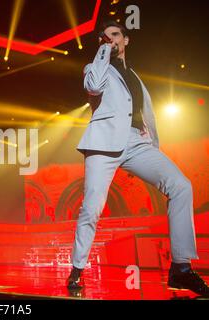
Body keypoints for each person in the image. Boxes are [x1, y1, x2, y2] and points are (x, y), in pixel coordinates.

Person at [67, 21, 209, 297]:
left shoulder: (135, 76)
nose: (109, 40)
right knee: (92, 207)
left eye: (115, 35)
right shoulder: (96, 67)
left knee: (181, 186)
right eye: (104, 37)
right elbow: (93, 86)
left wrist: (152, 147)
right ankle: (76, 269)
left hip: (136, 142)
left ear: (126, 39)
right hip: (103, 143)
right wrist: (103, 52)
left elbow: (148, 115)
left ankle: (181, 269)